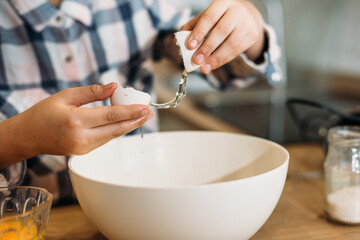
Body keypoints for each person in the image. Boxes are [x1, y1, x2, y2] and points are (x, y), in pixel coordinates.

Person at [0, 0, 281, 205]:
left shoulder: (143, 5)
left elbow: (222, 65)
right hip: (21, 219)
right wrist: (19, 139)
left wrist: (247, 30)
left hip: (143, 209)